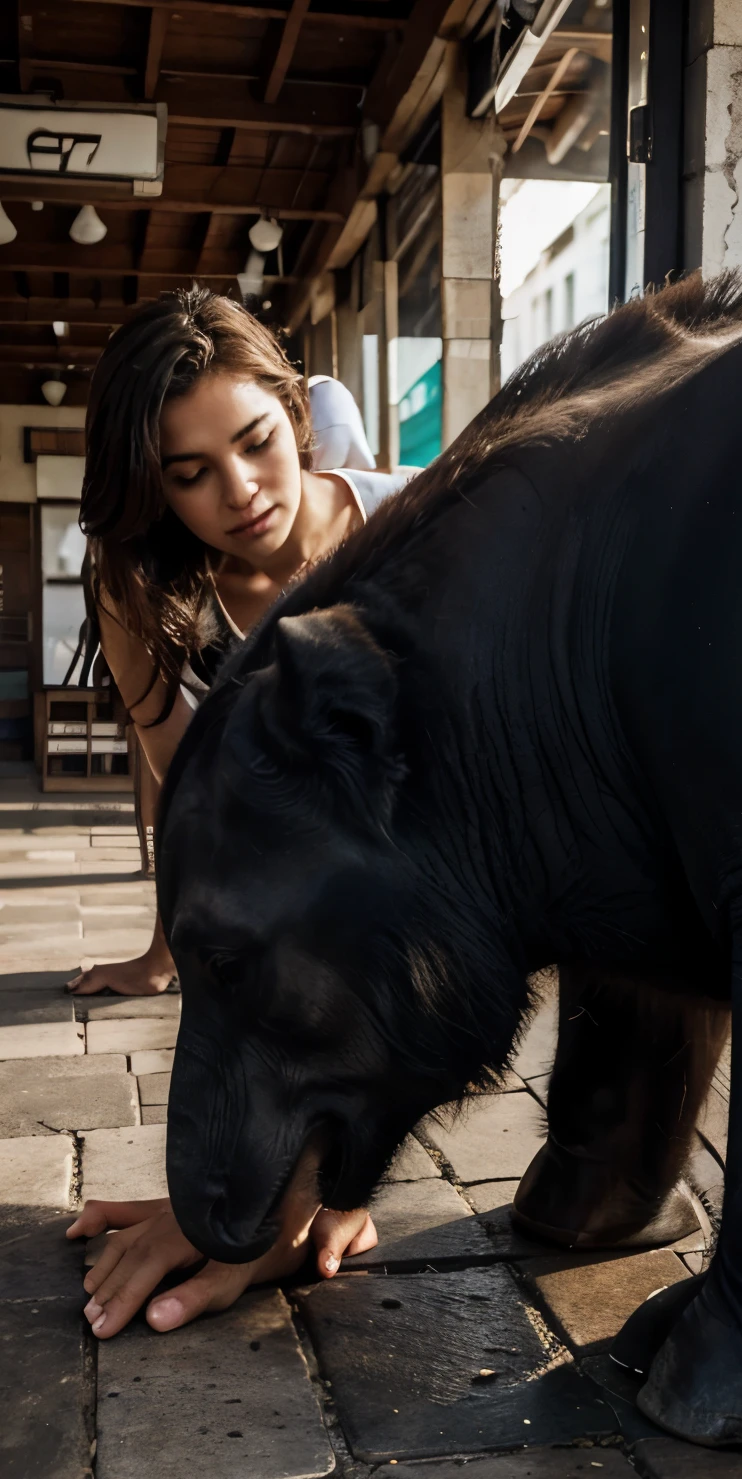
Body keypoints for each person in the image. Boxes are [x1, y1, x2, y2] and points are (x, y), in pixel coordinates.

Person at [64, 289, 406, 1339]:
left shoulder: (412, 526)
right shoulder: (140, 591)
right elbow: (214, 828)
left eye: (256, 443)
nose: (242, 491)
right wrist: (231, 1187)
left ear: (296, 417)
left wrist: (315, 1183)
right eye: (189, 474)